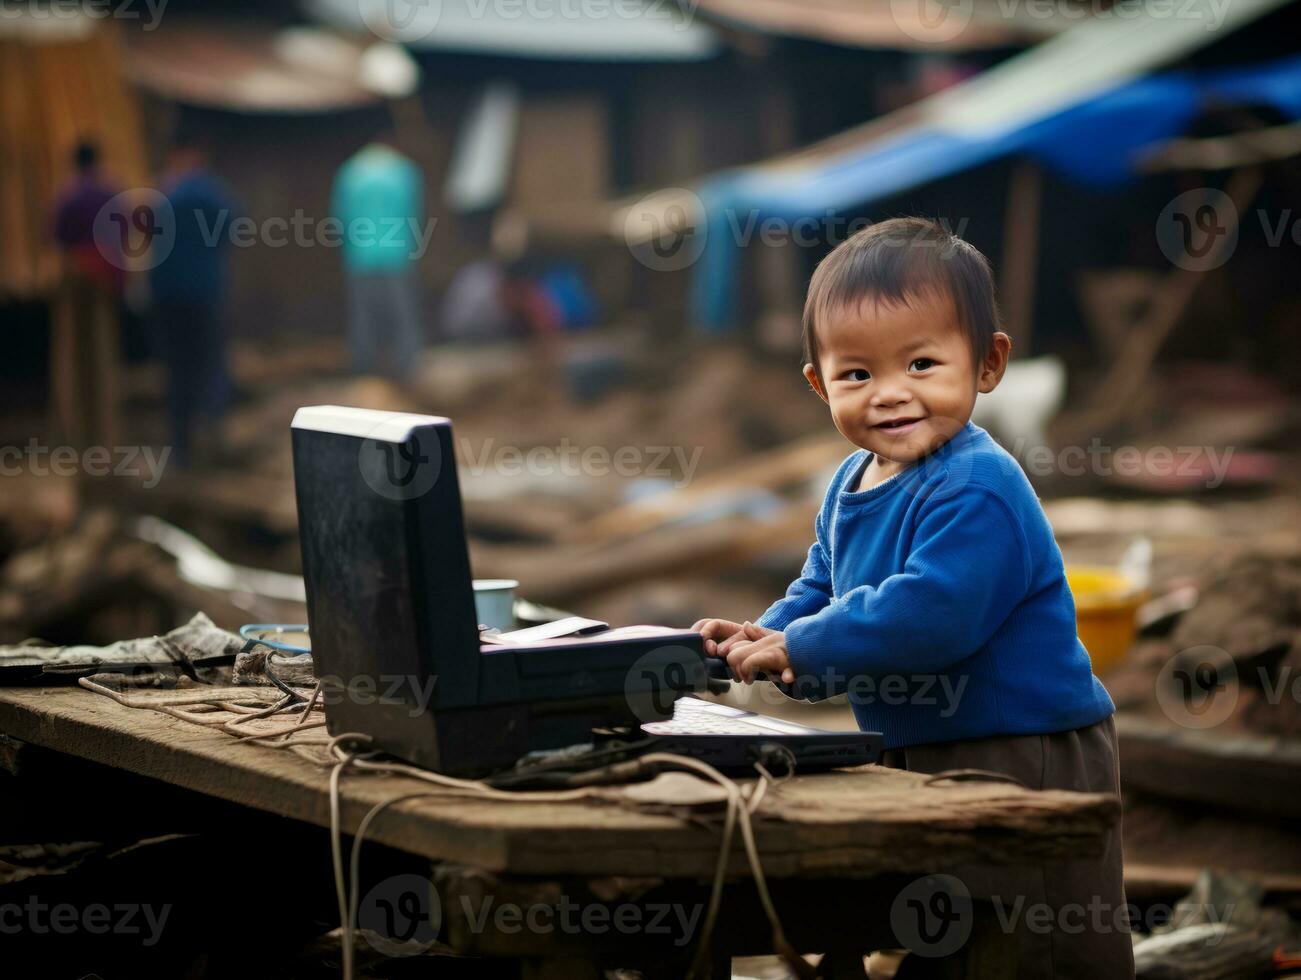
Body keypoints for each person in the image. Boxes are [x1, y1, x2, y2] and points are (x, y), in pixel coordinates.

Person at [693, 218, 1131, 979]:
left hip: (1020, 750)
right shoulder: (848, 482)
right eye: (856, 375)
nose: (891, 394)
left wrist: (804, 647)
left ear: (988, 362)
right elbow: (821, 587)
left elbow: (931, 614)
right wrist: (759, 636)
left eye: (922, 363)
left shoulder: (977, 486)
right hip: (922, 748)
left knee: (1032, 945)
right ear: (818, 385)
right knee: (945, 937)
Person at [149, 131, 239, 468]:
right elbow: (233, 228)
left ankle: (182, 446)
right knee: (208, 362)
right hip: (205, 293)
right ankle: (215, 437)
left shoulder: (164, 193)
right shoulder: (212, 193)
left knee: (177, 368)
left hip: (170, 295)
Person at [331, 132, 425, 377]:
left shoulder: (350, 172)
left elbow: (340, 219)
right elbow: (415, 214)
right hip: (396, 254)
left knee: (362, 316)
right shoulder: (404, 171)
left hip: (360, 256)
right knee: (402, 314)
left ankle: (364, 369)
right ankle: (406, 369)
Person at [50, 140, 123, 450]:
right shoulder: (111, 194)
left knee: (73, 362)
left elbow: (56, 235)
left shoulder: (69, 195)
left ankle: (77, 434)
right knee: (102, 358)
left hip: (77, 279)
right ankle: (105, 434)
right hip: (104, 281)